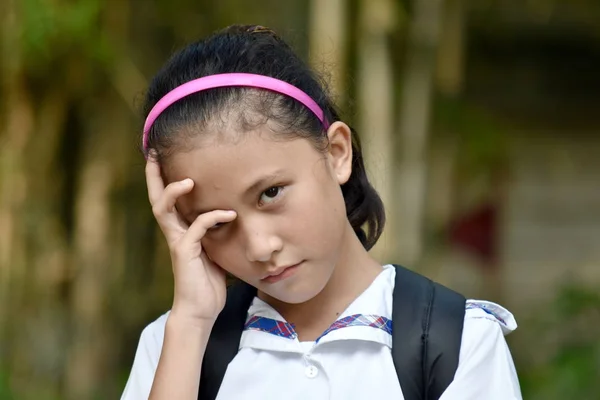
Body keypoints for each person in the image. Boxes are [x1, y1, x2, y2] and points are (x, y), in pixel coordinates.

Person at [121, 24, 522, 400]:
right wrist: (190, 325)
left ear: (336, 153)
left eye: (271, 193)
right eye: (217, 223)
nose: (259, 247)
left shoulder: (457, 343)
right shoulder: (174, 347)